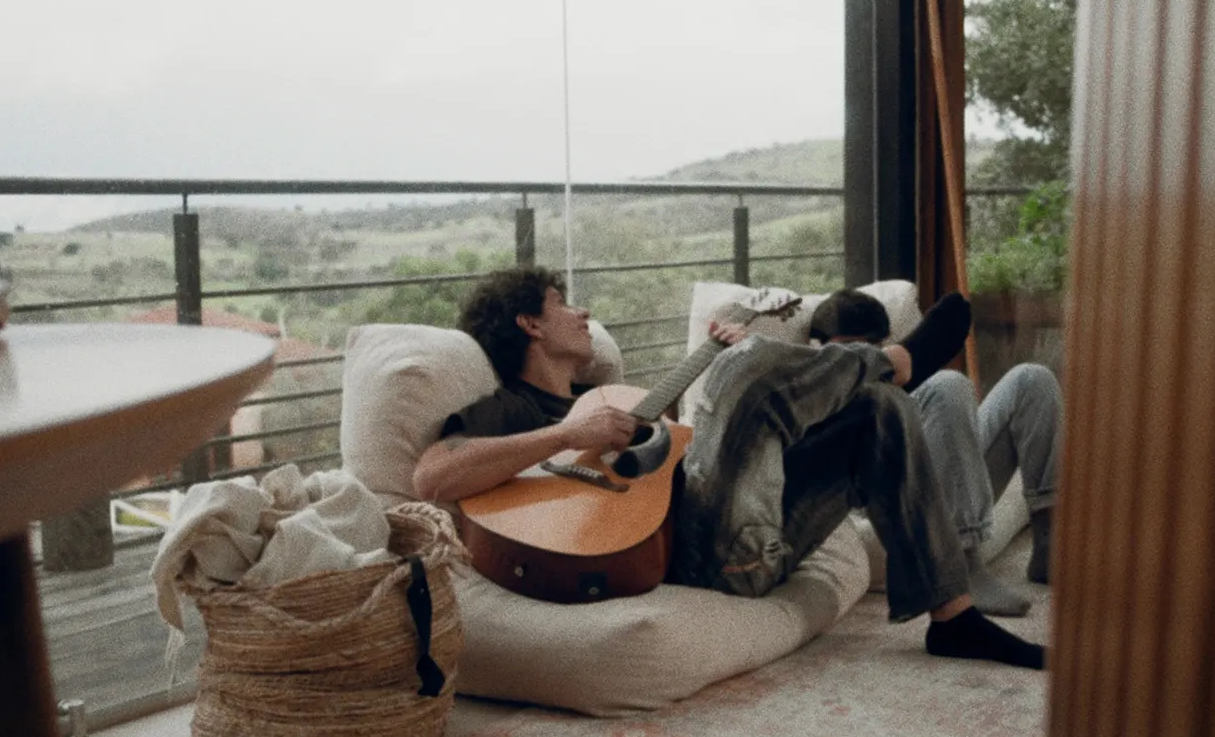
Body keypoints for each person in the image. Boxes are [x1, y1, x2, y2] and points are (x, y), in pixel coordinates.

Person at [413, 266, 1043, 669]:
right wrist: (572, 433)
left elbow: (693, 462)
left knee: (879, 409)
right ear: (529, 323)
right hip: (702, 555)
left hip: (754, 531)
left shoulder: (617, 396)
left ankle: (954, 616)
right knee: (748, 371)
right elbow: (434, 479)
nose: (582, 314)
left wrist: (731, 391)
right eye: (562, 303)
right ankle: (896, 360)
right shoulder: (509, 408)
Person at [807, 289, 1063, 616]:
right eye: (849, 348)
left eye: (873, 349)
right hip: (884, 511)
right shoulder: (804, 386)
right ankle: (961, 571)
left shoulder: (901, 375)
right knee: (948, 384)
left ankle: (1049, 542)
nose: (864, 358)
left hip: (944, 488)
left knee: (1032, 378)